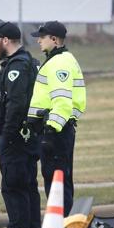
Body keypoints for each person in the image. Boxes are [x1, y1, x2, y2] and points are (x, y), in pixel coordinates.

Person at [0, 22, 41, 228]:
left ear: (5, 40)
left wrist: (7, 135)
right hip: (24, 136)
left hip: (16, 137)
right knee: (27, 184)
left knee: (13, 185)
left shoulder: (17, 67)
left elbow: (16, 105)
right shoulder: (20, 63)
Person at [27, 21, 86, 215]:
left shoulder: (59, 63)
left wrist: (51, 130)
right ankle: (64, 225)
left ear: (54, 39)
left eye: (42, 37)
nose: (38, 41)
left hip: (56, 132)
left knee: (56, 182)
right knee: (60, 180)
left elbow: (62, 100)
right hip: (60, 130)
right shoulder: (60, 60)